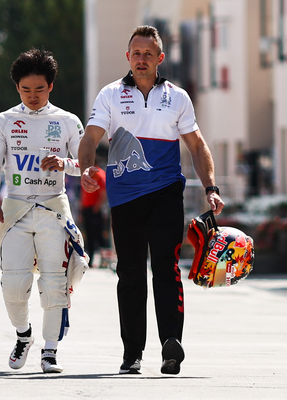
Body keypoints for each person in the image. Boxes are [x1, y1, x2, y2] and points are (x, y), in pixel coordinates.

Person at [78, 25, 223, 377]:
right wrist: (86, 168)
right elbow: (91, 136)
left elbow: (197, 145)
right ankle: (132, 353)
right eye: (136, 53)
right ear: (128, 57)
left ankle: (171, 344)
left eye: (148, 53)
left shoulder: (178, 97)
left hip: (165, 194)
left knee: (166, 267)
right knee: (129, 273)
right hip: (125, 198)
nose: (141, 59)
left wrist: (211, 188)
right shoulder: (110, 95)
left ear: (160, 58)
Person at [0, 48, 86, 375]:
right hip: (14, 209)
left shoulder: (68, 121)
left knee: (55, 282)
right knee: (14, 282)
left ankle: (51, 350)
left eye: (39, 89)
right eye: (26, 90)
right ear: (17, 88)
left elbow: (86, 166)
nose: (33, 96)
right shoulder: (4, 120)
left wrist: (65, 164)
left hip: (54, 207)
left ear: (51, 86)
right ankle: (23, 335)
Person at [80, 158, 107, 268]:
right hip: (87, 208)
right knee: (89, 236)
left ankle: (103, 260)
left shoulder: (100, 174)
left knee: (98, 235)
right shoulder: (87, 175)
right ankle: (90, 260)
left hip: (94, 209)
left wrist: (97, 207)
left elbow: (103, 193)